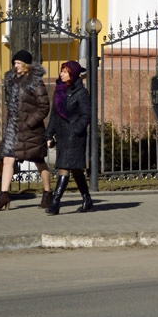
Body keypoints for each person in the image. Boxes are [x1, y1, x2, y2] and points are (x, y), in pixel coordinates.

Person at [0, 50, 52, 211]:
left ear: (26, 65)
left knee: (39, 161)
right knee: (8, 160)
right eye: (14, 63)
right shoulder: (12, 81)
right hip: (14, 129)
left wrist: (30, 122)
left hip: (31, 130)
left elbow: (44, 106)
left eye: (18, 63)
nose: (15, 66)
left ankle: (48, 193)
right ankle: (3, 195)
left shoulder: (35, 82)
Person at [45, 60, 92, 215]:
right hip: (62, 135)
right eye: (62, 71)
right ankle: (87, 199)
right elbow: (54, 115)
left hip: (75, 137)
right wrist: (49, 134)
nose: (61, 74)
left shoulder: (81, 93)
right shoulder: (59, 91)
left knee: (64, 166)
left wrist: (75, 129)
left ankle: (56, 203)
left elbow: (86, 115)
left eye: (65, 72)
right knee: (76, 169)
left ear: (72, 75)